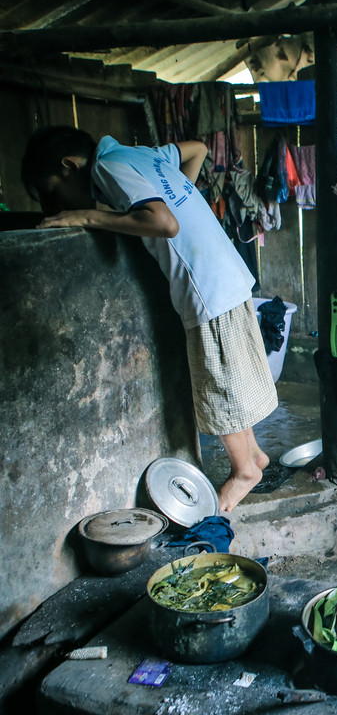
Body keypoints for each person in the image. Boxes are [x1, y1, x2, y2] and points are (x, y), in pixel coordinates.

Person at [21, 127, 277, 513]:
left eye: (52, 190)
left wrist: (90, 216)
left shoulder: (106, 167)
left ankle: (243, 470)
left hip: (203, 283)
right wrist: (180, 200)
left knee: (218, 386)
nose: (53, 203)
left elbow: (165, 224)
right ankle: (253, 456)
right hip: (224, 271)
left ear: (69, 166)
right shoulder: (141, 156)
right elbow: (197, 150)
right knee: (228, 381)